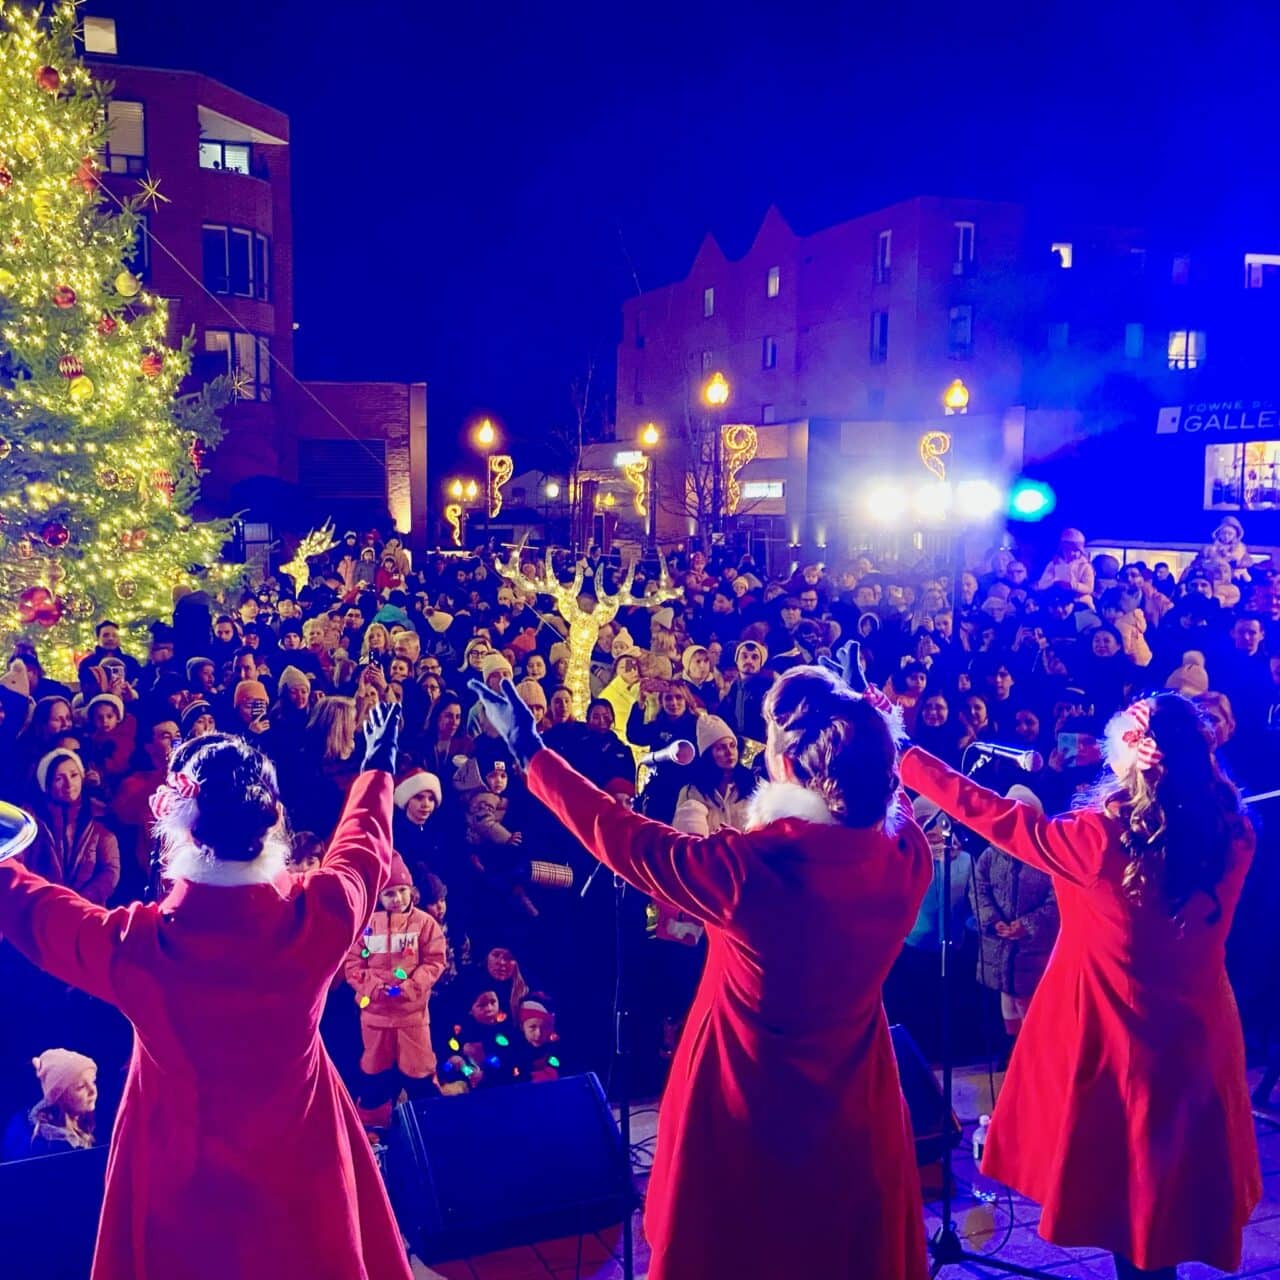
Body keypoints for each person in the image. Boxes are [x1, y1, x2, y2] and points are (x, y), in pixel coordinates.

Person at [470, 666, 931, 1280]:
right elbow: (883, 798)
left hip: (744, 1090)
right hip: (855, 1090)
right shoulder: (906, 858)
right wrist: (864, 717)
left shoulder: (749, 868)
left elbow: (620, 835)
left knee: (736, 1246)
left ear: (790, 765)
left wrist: (531, 751)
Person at [0, 703, 414, 1280]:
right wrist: (376, 771)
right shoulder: (323, 912)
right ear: (272, 819)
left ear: (181, 826)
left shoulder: (138, 945)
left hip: (182, 1169)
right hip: (304, 1151)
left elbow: (38, 914)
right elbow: (363, 851)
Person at [901, 693, 1261, 1278]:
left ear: (1133, 756)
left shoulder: (1096, 841)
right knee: (1171, 1194)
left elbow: (993, 814)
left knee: (1130, 1201)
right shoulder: (1234, 831)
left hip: (1118, 1043)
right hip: (1199, 1039)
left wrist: (907, 759)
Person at [343, 853, 447, 1129]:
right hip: (375, 1019)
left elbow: (435, 961)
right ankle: (374, 1130)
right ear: (379, 897)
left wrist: (412, 986)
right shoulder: (367, 926)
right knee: (375, 1078)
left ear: (411, 891)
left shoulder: (425, 924)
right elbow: (352, 962)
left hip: (412, 1019)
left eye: (401, 891)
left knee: (420, 1075)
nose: (397, 898)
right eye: (389, 893)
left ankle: (429, 1127)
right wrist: (372, 987)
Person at [971, 785, 1059, 1038]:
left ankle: (1031, 1049)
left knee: (1028, 999)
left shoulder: (1046, 857)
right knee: (1006, 994)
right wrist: (992, 920)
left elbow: (1056, 901)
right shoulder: (990, 855)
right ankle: (1011, 1047)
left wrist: (1028, 925)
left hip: (1033, 947)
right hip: (999, 944)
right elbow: (978, 889)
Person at [2, 1048, 98, 1160]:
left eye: (93, 1081)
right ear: (60, 1098)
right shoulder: (51, 1148)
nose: (93, 1090)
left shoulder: (84, 1119)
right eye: (81, 1087)